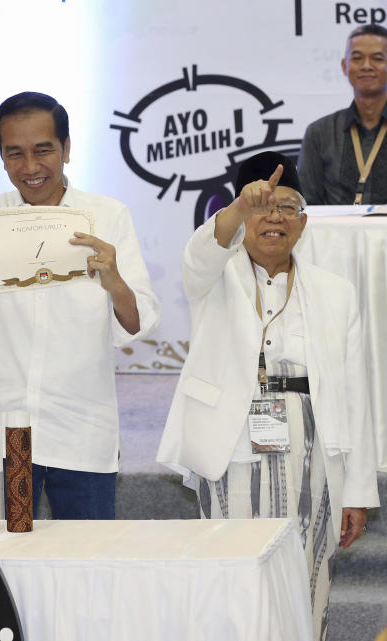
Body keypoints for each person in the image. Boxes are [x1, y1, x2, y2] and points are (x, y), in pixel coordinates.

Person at [157, 151, 380, 640]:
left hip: (314, 453)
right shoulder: (214, 276)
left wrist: (359, 491)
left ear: (303, 222)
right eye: (261, 207)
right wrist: (238, 208)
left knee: (307, 578)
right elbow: (199, 253)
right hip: (231, 444)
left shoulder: (335, 291)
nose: (274, 218)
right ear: (240, 215)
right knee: (232, 577)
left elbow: (356, 396)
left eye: (287, 207)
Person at [0, 92, 160, 519]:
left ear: (66, 148)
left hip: (80, 426)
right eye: (15, 153)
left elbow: (137, 322)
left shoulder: (107, 215)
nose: (30, 167)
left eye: (43, 150)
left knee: (86, 563)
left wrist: (113, 280)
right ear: (2, 158)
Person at [298, 24, 387, 205]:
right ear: (344, 66)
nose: (366, 66)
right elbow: (305, 206)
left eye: (377, 58)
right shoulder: (320, 133)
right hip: (333, 234)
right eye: (357, 58)